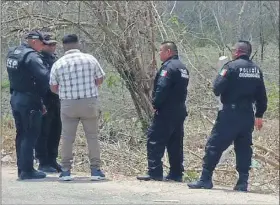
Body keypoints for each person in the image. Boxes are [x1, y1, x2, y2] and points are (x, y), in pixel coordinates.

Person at [187, 40, 268, 192]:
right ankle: (242, 182)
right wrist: (260, 114)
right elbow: (262, 96)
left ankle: (205, 179)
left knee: (214, 145)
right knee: (244, 148)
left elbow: (217, 88)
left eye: (233, 50)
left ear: (237, 52)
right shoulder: (256, 70)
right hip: (247, 115)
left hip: (230, 114)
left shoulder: (230, 67)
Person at [49, 34, 106, 181]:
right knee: (92, 137)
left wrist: (65, 91)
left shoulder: (58, 63)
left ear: (63, 46)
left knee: (67, 138)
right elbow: (100, 78)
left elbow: (53, 87)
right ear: (78, 44)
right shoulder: (90, 59)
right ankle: (95, 170)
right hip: (88, 102)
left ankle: (66, 171)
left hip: (68, 103)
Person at [137, 41, 189, 182]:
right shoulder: (182, 67)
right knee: (175, 143)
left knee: (155, 140)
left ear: (168, 51)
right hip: (179, 110)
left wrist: (155, 103)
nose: (159, 53)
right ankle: (176, 173)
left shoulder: (168, 68)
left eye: (160, 51)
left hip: (166, 110)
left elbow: (162, 87)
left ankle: (155, 172)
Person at [6, 30, 50, 180]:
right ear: (33, 41)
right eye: (42, 43)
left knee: (21, 134)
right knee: (30, 134)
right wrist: (41, 97)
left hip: (16, 97)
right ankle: (27, 170)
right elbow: (44, 77)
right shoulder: (31, 56)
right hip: (29, 100)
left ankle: (22, 168)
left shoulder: (13, 52)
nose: (43, 46)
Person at [35, 33, 62, 173]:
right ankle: (43, 161)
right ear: (42, 45)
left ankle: (52, 159)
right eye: (49, 44)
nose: (52, 47)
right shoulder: (37, 60)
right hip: (44, 99)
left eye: (54, 44)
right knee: (43, 131)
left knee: (56, 130)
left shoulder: (55, 59)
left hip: (56, 99)